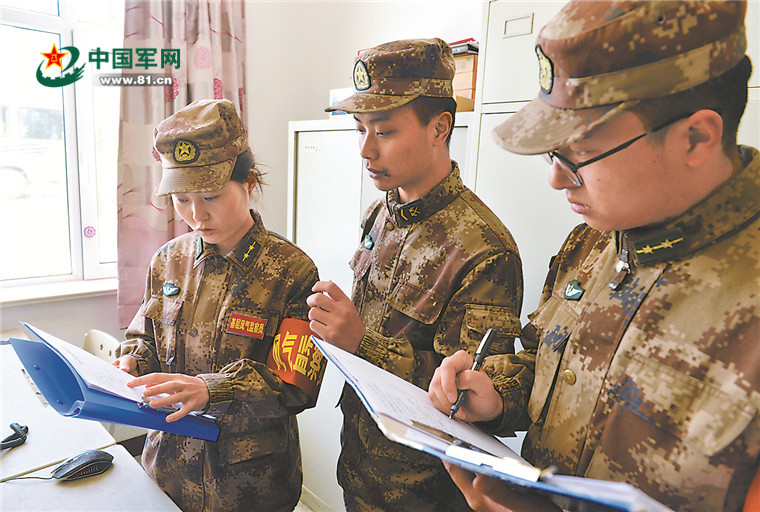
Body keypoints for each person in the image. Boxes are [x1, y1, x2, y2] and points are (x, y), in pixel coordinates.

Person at [428, 1, 759, 511]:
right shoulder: (594, 241)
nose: (556, 178)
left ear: (695, 137)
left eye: (579, 153)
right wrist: (495, 395)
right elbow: (544, 359)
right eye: (553, 152)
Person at [306, 38, 524, 512]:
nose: (365, 150)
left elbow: (466, 394)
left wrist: (361, 342)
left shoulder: (484, 249)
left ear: (439, 128)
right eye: (359, 130)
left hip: (423, 491)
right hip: (359, 464)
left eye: (384, 132)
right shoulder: (381, 213)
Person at [112, 99, 326, 512]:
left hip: (248, 485)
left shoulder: (293, 271)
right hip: (168, 469)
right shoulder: (168, 259)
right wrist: (132, 361)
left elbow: (296, 387)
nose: (196, 215)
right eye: (181, 199)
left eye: (211, 196)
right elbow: (144, 336)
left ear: (249, 182)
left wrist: (214, 389)